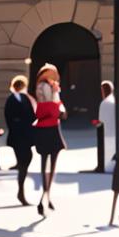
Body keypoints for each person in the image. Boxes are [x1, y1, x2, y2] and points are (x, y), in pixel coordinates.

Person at [32, 63, 66, 216]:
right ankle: (45, 196)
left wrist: (56, 93)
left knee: (49, 164)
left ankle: (46, 195)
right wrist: (54, 93)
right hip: (48, 126)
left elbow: (57, 104)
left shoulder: (51, 86)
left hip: (50, 127)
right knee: (47, 164)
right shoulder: (43, 86)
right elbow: (49, 104)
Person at [4, 74, 36, 205]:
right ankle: (21, 192)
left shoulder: (24, 98)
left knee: (27, 158)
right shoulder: (11, 99)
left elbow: (32, 115)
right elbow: (8, 117)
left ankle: (21, 189)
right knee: (24, 160)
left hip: (26, 135)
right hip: (18, 136)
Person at [98, 80, 116, 171]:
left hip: (107, 132)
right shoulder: (114, 101)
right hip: (114, 131)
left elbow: (101, 120)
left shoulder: (104, 103)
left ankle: (106, 168)